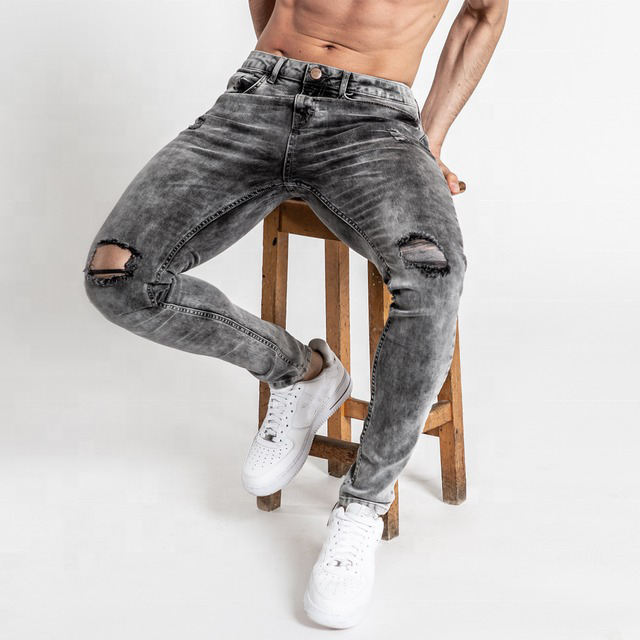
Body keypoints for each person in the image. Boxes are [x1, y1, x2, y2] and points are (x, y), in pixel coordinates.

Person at [82, 0, 508, 629]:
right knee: (116, 275)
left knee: (433, 278)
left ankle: (362, 504)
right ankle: (300, 372)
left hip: (375, 121)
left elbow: (481, 13)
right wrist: (277, 67)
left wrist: (431, 138)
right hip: (257, 97)